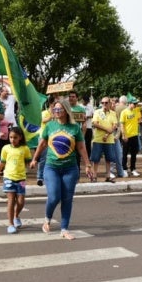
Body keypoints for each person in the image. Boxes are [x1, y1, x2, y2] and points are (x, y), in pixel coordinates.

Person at [29, 98, 93, 240]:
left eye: (59, 109)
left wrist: (88, 165)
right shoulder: (50, 126)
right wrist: (35, 159)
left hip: (70, 168)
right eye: (55, 109)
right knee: (54, 196)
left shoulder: (74, 127)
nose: (56, 111)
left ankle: (64, 228)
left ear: (66, 111)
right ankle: (47, 218)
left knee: (67, 199)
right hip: (52, 167)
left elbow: (81, 147)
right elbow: (42, 144)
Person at [0, 127, 32, 234]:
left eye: (15, 137)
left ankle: (16, 216)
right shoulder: (5, 148)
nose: (12, 139)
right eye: (10, 137)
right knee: (11, 201)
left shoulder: (25, 149)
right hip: (8, 178)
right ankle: (11, 224)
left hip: (21, 178)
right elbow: (1, 163)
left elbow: (29, 161)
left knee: (21, 201)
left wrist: (32, 163)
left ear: (20, 137)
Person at [90, 96, 119, 182]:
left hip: (109, 139)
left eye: (106, 103)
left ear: (110, 103)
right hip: (98, 138)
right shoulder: (97, 112)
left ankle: (108, 176)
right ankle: (94, 176)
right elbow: (95, 123)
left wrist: (107, 134)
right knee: (95, 159)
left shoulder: (113, 113)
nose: (104, 104)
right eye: (102, 103)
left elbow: (114, 125)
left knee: (109, 159)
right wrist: (107, 130)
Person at [119, 97, 141, 176]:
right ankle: (124, 168)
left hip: (135, 135)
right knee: (124, 153)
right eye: (134, 104)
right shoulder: (124, 112)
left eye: (136, 104)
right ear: (129, 103)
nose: (135, 105)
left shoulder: (136, 110)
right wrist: (124, 135)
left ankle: (133, 168)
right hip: (127, 135)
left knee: (134, 153)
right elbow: (122, 124)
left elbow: (139, 119)